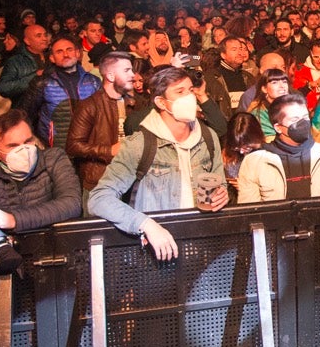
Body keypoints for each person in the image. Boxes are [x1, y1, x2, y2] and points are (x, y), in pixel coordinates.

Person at [87, 66, 229, 261]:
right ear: (161, 102)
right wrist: (145, 224)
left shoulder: (208, 137)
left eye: (190, 90)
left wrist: (222, 193)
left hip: (201, 247)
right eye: (179, 92)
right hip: (157, 253)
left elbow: (219, 181)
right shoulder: (139, 145)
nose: (189, 97)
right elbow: (99, 198)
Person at [0, 109, 83, 274]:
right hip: (14, 263)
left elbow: (71, 203)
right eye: (13, 146)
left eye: (28, 141)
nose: (24, 150)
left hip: (58, 257)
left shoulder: (54, 159)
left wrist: (13, 219)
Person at [236, 94, 320, 201]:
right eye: (295, 120)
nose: (303, 123)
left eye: (305, 117)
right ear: (278, 128)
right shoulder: (255, 162)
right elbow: (250, 211)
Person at [66, 50, 149, 193]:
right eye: (126, 71)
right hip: (100, 180)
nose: (132, 75)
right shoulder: (90, 106)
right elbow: (73, 146)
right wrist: (108, 150)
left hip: (131, 178)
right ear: (110, 76)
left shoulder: (136, 103)